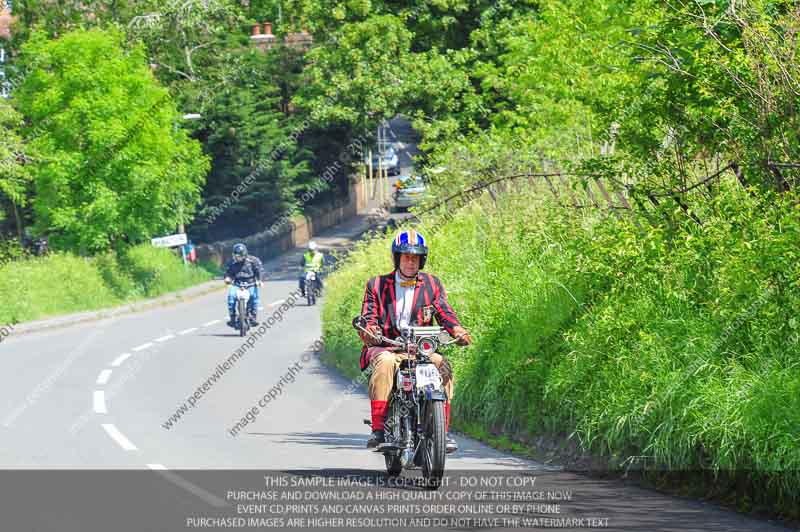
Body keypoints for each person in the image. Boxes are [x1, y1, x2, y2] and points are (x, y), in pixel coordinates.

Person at [357, 229, 472, 452]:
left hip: (420, 349)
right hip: (386, 346)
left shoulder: (432, 284)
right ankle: (379, 429)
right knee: (386, 363)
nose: (411, 262)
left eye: (416, 258)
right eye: (406, 257)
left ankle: (443, 432)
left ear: (422, 260)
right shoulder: (376, 285)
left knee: (443, 366)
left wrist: (457, 329)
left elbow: (444, 311)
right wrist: (370, 331)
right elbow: (368, 316)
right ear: (397, 258)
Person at [224, 243, 263, 328]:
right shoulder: (231, 262)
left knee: (254, 297)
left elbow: (259, 270)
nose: (236, 258)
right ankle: (233, 318)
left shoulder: (253, 260)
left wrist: (259, 280)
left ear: (244, 255)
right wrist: (227, 278)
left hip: (250, 283)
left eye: (238, 256)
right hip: (237, 283)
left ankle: (253, 317)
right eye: (235, 255)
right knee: (231, 296)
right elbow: (228, 273)